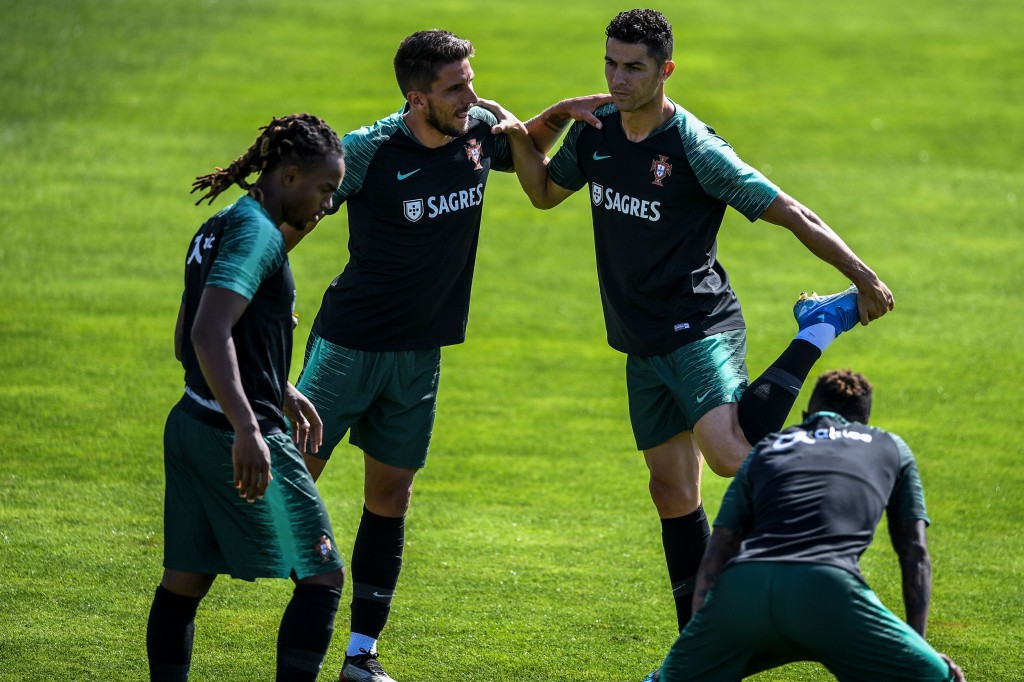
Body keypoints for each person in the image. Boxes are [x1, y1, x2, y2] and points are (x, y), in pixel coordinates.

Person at [486, 8, 895, 638]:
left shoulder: (695, 148)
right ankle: (694, 650)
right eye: (610, 65)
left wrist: (863, 277)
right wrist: (551, 115)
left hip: (698, 325)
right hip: (638, 339)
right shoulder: (596, 132)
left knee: (731, 456)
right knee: (672, 494)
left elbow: (790, 211)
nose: (617, 80)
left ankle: (819, 325)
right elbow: (542, 192)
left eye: (634, 68)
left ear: (665, 71)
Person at [293, 30, 608, 682]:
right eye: (456, 88)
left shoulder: (477, 129)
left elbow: (519, 145)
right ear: (417, 97)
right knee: (282, 492)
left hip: (420, 356)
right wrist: (253, 296)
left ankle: (359, 657)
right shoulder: (369, 151)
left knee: (392, 494)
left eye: (471, 80)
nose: (474, 96)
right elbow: (291, 220)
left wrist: (557, 112)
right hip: (349, 348)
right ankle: (190, 587)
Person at [146, 113, 346, 682]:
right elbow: (208, 333)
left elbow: (189, 333)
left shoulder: (223, 223)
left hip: (190, 422)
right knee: (320, 574)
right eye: (325, 189)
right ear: (288, 176)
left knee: (185, 581)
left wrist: (274, 384)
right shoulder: (257, 234)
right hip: (230, 433)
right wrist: (249, 428)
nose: (328, 205)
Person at [648, 370, 966, 681]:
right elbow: (915, 554)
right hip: (827, 592)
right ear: (865, 423)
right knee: (939, 677)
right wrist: (918, 649)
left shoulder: (768, 447)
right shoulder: (889, 446)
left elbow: (718, 549)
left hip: (746, 590)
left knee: (671, 678)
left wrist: (699, 643)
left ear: (805, 415)